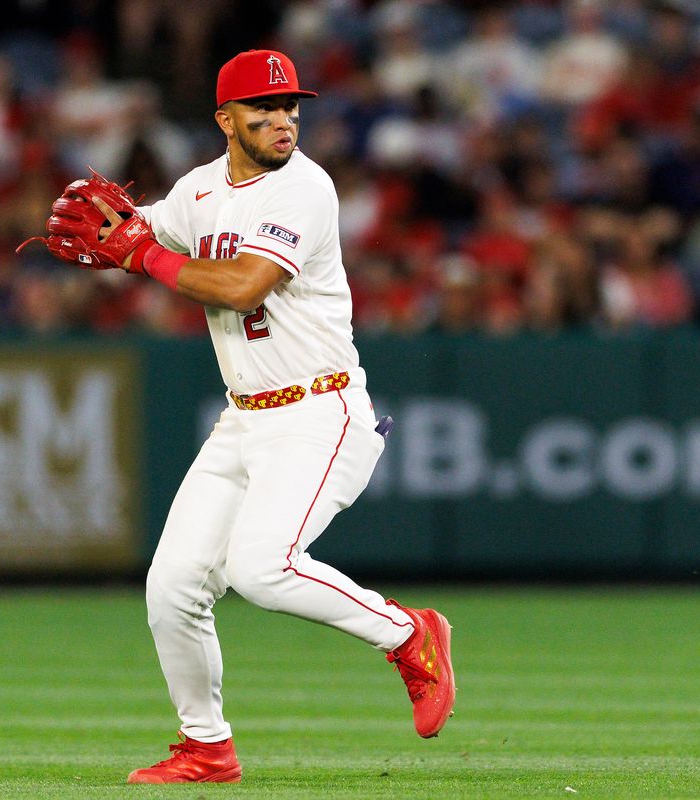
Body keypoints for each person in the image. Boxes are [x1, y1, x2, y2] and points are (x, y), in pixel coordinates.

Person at [23, 49, 456, 784]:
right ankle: (207, 747)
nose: (283, 119)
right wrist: (105, 243)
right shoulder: (197, 191)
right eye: (263, 108)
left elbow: (243, 287)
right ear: (226, 119)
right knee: (173, 589)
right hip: (245, 418)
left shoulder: (305, 188)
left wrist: (137, 256)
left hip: (321, 412)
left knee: (262, 569)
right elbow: (135, 232)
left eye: (291, 106)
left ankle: (408, 634)